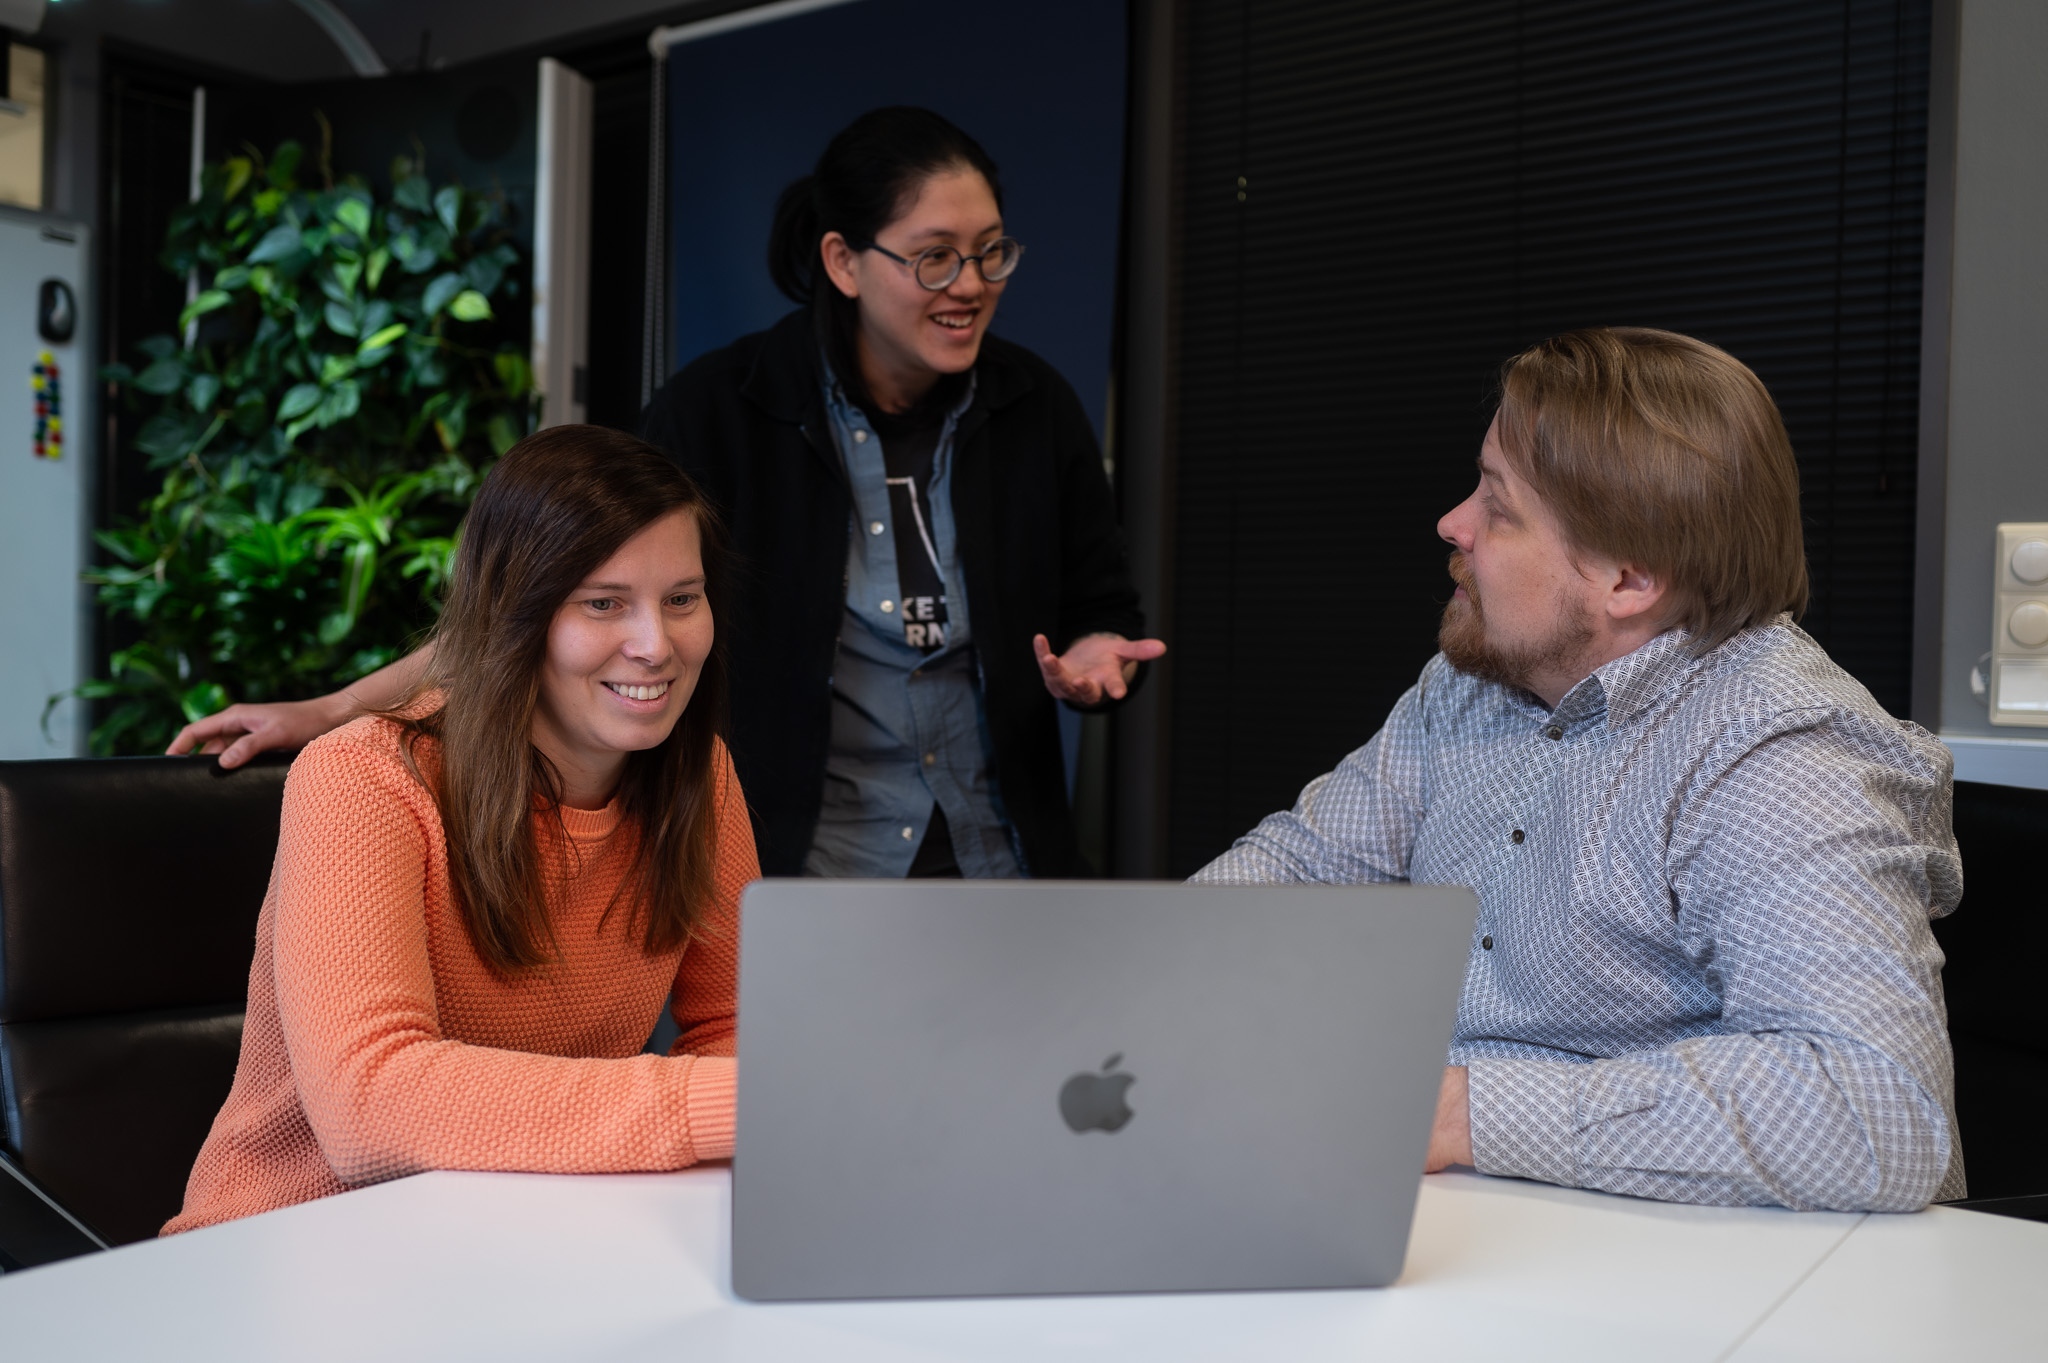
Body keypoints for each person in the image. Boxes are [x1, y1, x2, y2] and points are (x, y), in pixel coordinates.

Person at [168, 106, 1163, 881]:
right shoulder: (720, 411)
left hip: (1004, 868)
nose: (971, 283)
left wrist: (1092, 654)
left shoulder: (1036, 406)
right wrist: (330, 709)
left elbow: (1099, 604)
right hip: (796, 875)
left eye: (991, 251)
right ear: (842, 261)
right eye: (934, 256)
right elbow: (547, 605)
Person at [1194, 327, 1965, 1213]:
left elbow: (1874, 1109)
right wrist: (1128, 979)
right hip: (1491, 1215)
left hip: (1717, 1269)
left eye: (1498, 504)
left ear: (1628, 579)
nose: (1453, 524)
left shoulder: (1778, 750)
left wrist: (1460, 1110)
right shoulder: (1473, 682)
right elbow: (1303, 866)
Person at [164, 426, 751, 1233]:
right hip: (290, 1253)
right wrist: (732, 1102)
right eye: (603, 602)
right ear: (520, 614)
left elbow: (730, 1026)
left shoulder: (700, 776)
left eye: (682, 598)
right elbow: (370, 1101)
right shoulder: (363, 778)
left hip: (531, 1239)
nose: (656, 645)